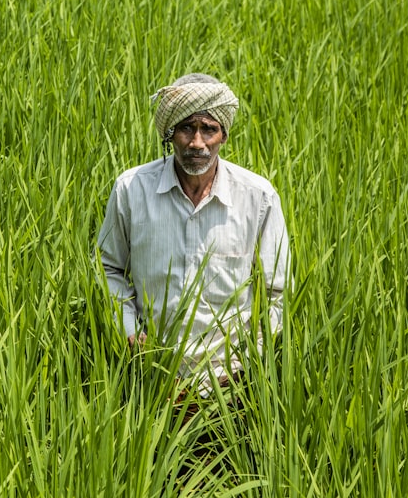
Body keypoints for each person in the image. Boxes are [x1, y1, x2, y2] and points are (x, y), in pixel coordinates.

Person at [96, 73, 291, 396]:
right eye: (186, 128)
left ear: (224, 135)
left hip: (235, 381)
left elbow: (277, 292)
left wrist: (249, 359)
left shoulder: (258, 197)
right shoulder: (132, 190)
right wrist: (131, 334)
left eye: (208, 129)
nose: (197, 143)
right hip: (152, 375)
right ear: (170, 133)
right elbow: (108, 268)